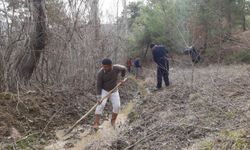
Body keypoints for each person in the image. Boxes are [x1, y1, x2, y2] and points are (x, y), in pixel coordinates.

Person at [93, 58, 127, 129]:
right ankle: (96, 123)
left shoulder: (116, 68)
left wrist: (122, 78)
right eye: (103, 66)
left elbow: (124, 68)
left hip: (114, 90)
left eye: (106, 67)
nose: (104, 68)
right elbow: (98, 86)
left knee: (117, 106)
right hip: (104, 91)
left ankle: (113, 121)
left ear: (111, 65)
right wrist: (99, 97)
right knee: (100, 105)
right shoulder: (100, 73)